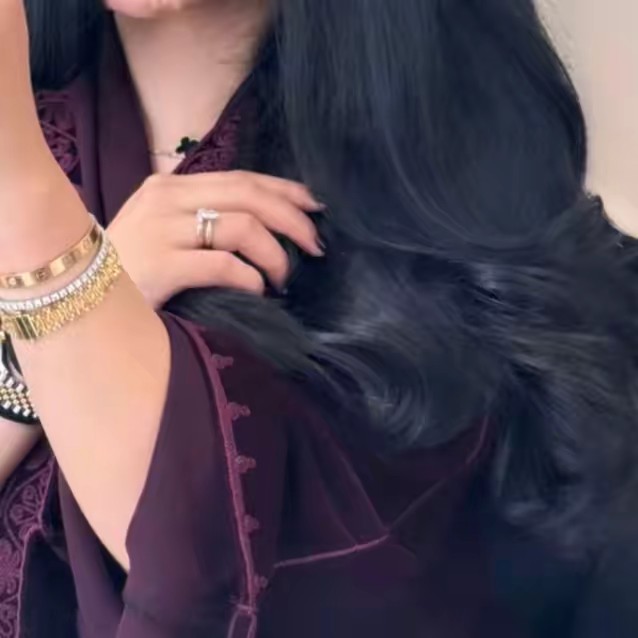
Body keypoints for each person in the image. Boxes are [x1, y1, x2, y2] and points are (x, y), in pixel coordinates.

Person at [0, 0, 636, 636]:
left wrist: (43, 234)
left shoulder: (461, 236)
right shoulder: (32, 141)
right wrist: (54, 318)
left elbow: (266, 579)